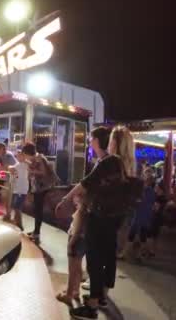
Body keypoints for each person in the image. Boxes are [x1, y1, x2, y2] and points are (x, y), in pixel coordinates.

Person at [59, 126, 139, 320]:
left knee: (93, 261)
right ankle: (101, 296)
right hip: (115, 219)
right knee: (106, 258)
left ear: (115, 142)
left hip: (99, 216)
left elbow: (86, 183)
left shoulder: (110, 161)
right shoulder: (129, 167)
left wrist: (66, 200)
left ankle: (91, 307)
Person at [23, 142, 59, 243]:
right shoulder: (36, 158)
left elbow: (43, 172)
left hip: (42, 188)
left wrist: (32, 171)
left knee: (38, 210)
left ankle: (37, 233)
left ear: (28, 152)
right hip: (39, 187)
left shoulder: (39, 158)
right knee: (37, 210)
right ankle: (36, 231)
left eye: (25, 154)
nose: (26, 156)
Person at [123, 171, 155, 261]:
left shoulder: (142, 191)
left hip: (138, 216)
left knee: (131, 235)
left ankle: (125, 254)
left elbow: (137, 202)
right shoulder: (152, 192)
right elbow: (152, 205)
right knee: (143, 237)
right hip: (146, 217)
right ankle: (139, 255)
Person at [0, 143, 17, 220]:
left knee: (10, 197)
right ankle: (8, 214)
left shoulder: (9, 155)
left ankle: (11, 215)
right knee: (4, 196)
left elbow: (11, 168)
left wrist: (1, 168)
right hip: (8, 179)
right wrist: (2, 168)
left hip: (14, 179)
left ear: (2, 149)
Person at [8, 150, 29, 230]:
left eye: (21, 155)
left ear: (24, 156)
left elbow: (10, 168)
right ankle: (17, 223)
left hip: (21, 190)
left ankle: (19, 224)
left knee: (17, 207)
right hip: (16, 189)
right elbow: (10, 168)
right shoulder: (18, 164)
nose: (18, 157)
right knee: (15, 207)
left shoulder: (25, 165)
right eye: (17, 155)